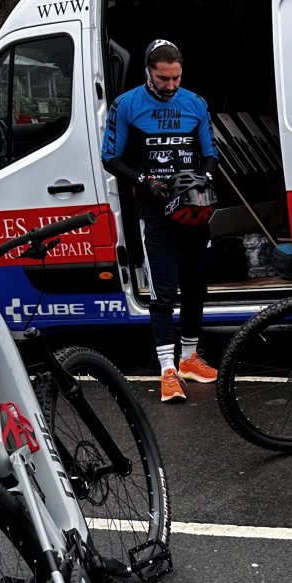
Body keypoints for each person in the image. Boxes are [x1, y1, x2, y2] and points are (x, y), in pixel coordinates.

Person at [102, 39, 220, 401]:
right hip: (156, 214)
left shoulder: (195, 103)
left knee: (196, 288)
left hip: (192, 210)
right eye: (163, 78)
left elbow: (210, 154)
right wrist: (145, 181)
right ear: (148, 73)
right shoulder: (126, 105)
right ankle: (168, 371)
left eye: (176, 78)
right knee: (163, 292)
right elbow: (110, 157)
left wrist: (203, 179)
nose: (170, 86)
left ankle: (189, 359)